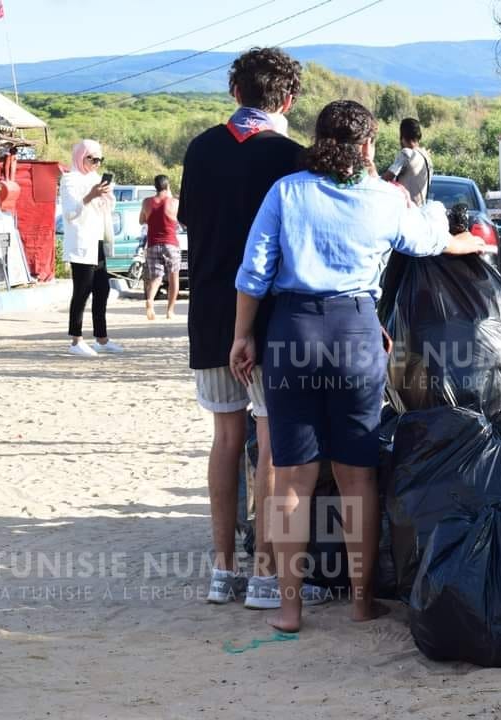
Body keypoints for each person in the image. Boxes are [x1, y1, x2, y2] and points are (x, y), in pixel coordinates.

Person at [230, 100, 489, 632]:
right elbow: (430, 241)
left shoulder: (287, 192)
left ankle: (288, 608)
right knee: (357, 477)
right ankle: (362, 601)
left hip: (292, 330)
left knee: (293, 478)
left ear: (319, 140)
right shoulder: (385, 199)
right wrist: (470, 241)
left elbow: (253, 273)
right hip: (356, 332)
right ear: (369, 146)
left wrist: (241, 336)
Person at [178, 46, 324, 610]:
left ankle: (222, 570)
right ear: (287, 99)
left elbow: (193, 220)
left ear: (235, 92)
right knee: (269, 441)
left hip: (210, 311)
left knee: (225, 437)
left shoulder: (200, 149)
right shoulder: (291, 157)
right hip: (268, 317)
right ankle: (266, 571)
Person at [60, 139, 124, 357]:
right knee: (82, 290)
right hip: (81, 242)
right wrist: (90, 195)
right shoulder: (70, 179)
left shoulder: (96, 179)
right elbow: (69, 212)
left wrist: (106, 195)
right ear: (81, 157)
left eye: (100, 159)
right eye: (92, 158)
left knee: (102, 289)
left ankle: (101, 338)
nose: (97, 163)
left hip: (97, 240)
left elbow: (107, 209)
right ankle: (76, 339)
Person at [139, 175, 181, 321]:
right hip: (171, 243)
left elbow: (141, 221)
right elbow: (183, 221)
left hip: (152, 244)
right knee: (173, 277)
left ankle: (150, 300)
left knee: (156, 278)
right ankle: (170, 311)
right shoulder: (174, 203)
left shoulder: (147, 202)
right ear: (168, 186)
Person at [381, 117, 431, 206]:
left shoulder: (406, 154)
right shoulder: (426, 157)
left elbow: (385, 179)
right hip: (421, 209)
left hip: (406, 210)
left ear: (402, 136)